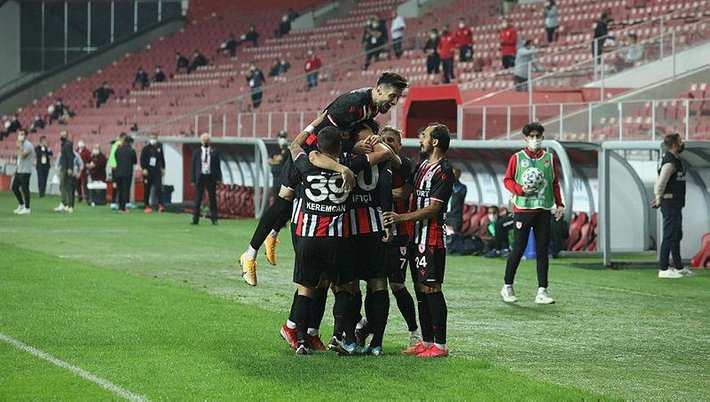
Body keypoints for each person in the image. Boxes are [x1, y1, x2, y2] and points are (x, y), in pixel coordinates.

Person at [239, 71, 408, 286]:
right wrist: (351, 150)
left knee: (294, 199)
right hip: (310, 153)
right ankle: (250, 254)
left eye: (397, 98)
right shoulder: (350, 105)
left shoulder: (371, 107)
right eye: (392, 96)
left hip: (326, 155)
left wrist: (360, 143)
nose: (394, 102)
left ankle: (272, 234)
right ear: (379, 90)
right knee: (284, 199)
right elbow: (326, 136)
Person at [383, 123, 455, 358]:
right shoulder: (422, 166)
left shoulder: (444, 170)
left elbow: (433, 208)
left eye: (424, 136)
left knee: (432, 287)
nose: (420, 139)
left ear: (435, 141)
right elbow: (404, 193)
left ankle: (440, 345)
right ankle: (426, 342)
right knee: (420, 289)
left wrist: (400, 217)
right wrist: (373, 192)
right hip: (415, 237)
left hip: (431, 238)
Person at [500, 122, 565, 305]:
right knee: (518, 249)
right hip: (523, 209)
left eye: (538, 136)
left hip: (543, 210)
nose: (535, 139)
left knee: (543, 250)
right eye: (532, 137)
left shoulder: (549, 158)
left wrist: (559, 204)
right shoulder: (517, 158)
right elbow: (507, 180)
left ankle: (542, 291)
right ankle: (507, 285)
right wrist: (520, 190)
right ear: (526, 139)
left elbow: (554, 183)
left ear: (542, 138)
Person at [381, 126, 421, 348]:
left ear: (399, 145)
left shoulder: (406, 165)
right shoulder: (374, 164)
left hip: (400, 234)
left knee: (397, 284)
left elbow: (403, 193)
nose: (386, 143)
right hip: (374, 232)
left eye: (391, 140)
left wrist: (375, 193)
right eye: (383, 139)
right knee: (374, 285)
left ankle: (414, 331)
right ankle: (365, 329)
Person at [652, 133, 693, 278]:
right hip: (670, 203)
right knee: (669, 234)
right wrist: (658, 198)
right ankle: (663, 269)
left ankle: (678, 266)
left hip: (676, 203)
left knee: (676, 234)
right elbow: (660, 182)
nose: (683, 143)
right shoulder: (669, 163)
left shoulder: (675, 160)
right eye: (680, 141)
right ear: (674, 144)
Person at [191, 133, 222, 225]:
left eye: (207, 140)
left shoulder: (214, 152)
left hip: (210, 177)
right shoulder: (197, 152)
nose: (205, 142)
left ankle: (214, 219)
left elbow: (217, 166)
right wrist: (193, 179)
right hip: (200, 177)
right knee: (198, 199)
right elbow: (193, 167)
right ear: (201, 141)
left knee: (212, 198)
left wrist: (218, 178)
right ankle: (195, 219)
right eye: (204, 140)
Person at [140, 133, 166, 213]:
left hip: (157, 171)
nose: (153, 140)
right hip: (148, 172)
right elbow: (142, 159)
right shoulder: (146, 149)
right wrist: (144, 168)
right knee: (147, 189)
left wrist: (163, 168)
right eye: (152, 138)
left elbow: (162, 159)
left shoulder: (159, 148)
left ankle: (161, 205)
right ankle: (146, 205)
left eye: (154, 138)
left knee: (159, 188)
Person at [12, 130, 33, 215]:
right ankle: (21, 204)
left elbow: (23, 156)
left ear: (26, 136)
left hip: (26, 171)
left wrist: (19, 147)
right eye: (19, 134)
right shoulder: (21, 144)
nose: (20, 136)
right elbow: (19, 159)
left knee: (25, 189)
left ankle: (27, 208)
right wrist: (16, 169)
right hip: (19, 170)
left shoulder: (28, 145)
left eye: (22, 134)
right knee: (14, 187)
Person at [114, 136, 137, 213]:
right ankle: (123, 208)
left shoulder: (118, 150)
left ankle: (120, 206)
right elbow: (135, 161)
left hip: (118, 172)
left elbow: (116, 158)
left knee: (120, 190)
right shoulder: (132, 151)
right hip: (127, 173)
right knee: (125, 191)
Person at [55, 131, 75, 213]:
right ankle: (65, 204)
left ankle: (68, 205)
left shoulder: (68, 144)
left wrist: (70, 167)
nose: (61, 136)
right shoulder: (64, 144)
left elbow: (70, 156)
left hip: (66, 168)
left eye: (63, 135)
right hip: (63, 167)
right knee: (63, 185)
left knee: (67, 186)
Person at [447, 168, 467, 252]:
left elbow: (460, 194)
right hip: (445, 212)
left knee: (456, 232)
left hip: (455, 215)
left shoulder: (461, 187)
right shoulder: (444, 185)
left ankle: (455, 248)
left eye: (455, 174)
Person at [108, 132, 127, 209]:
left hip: (113, 166)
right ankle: (117, 202)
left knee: (115, 185)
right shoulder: (120, 145)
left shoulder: (114, 145)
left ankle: (114, 202)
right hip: (117, 167)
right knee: (120, 186)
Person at [268, 131, 289, 198]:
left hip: (283, 178)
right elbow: (269, 161)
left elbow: (280, 158)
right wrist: (277, 161)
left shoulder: (287, 150)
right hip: (275, 177)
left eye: (284, 137)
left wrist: (275, 159)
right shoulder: (275, 149)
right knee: (275, 195)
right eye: (281, 137)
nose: (282, 139)